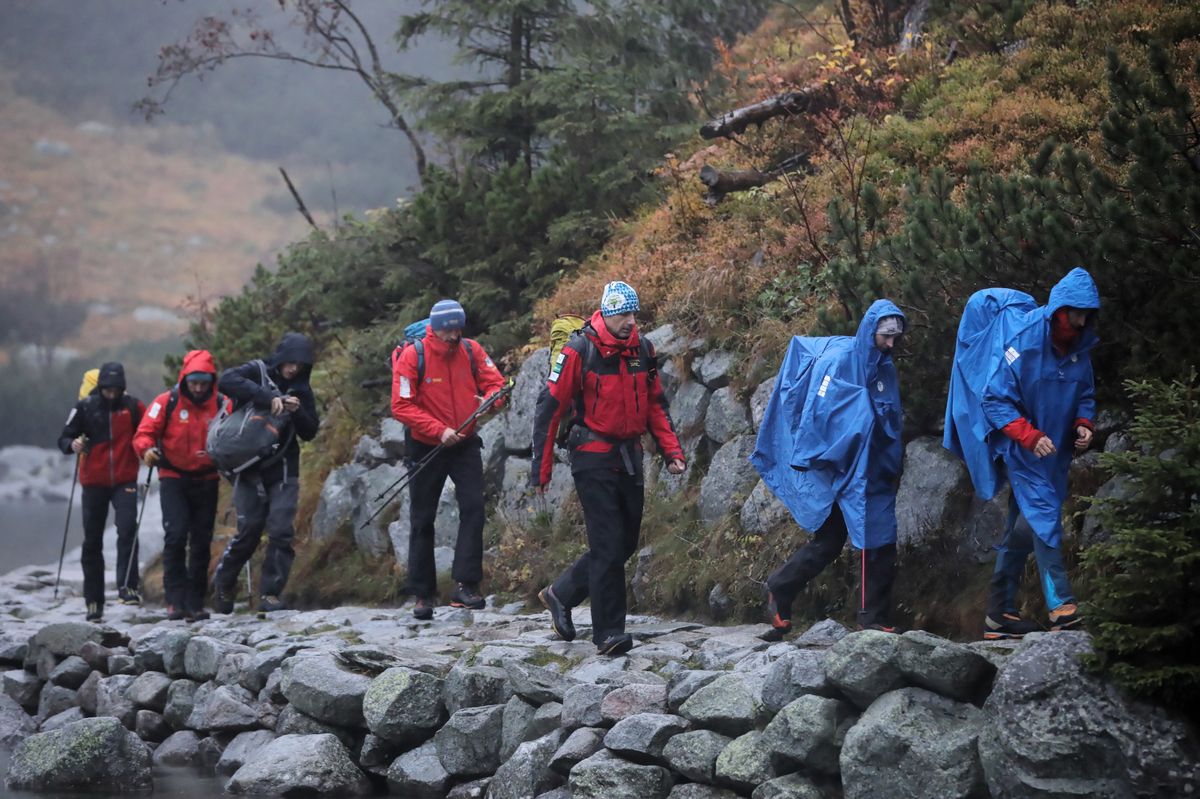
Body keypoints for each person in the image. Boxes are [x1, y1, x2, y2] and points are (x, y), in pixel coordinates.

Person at [531, 281, 686, 656]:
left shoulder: (641, 350)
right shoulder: (579, 350)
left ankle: (560, 593)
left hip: (629, 456)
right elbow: (548, 409)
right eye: (623, 314)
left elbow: (654, 404)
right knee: (607, 544)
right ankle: (608, 633)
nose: (630, 322)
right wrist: (542, 468)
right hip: (592, 455)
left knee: (625, 543)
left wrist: (671, 451)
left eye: (634, 314)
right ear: (606, 313)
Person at [944, 267, 1099, 639]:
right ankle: (1061, 606)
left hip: (1055, 455)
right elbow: (994, 398)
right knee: (1044, 516)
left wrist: (1084, 424)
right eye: (1074, 312)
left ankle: (999, 614)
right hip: (1024, 449)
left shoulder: (1081, 349)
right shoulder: (1025, 341)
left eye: (1085, 314)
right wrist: (1027, 436)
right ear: (1059, 309)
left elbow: (1087, 395)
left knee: (1024, 522)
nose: (1079, 321)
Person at [751, 301, 906, 640]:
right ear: (870, 332)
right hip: (838, 470)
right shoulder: (838, 364)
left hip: (873, 469)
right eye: (886, 336)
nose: (892, 344)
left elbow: (891, 417)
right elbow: (816, 416)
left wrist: (889, 462)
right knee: (842, 539)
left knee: (873, 538)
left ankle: (865, 615)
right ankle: (790, 591)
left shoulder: (885, 369)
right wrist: (826, 463)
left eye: (897, 337)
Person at [391, 299, 507, 620]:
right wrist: (439, 430)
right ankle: (423, 594)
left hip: (465, 443)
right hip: (426, 445)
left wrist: (491, 400)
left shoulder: (471, 351)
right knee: (422, 517)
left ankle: (465, 586)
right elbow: (401, 406)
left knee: (473, 508)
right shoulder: (414, 356)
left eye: (458, 328)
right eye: (448, 329)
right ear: (435, 328)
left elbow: (496, 383)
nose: (454, 335)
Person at [210, 333, 320, 615]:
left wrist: (295, 411)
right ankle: (224, 582)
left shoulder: (301, 388)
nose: (293, 368)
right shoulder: (257, 371)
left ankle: (270, 594)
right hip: (248, 466)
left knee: (281, 531)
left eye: (300, 364)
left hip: (283, 465)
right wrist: (268, 397)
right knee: (249, 530)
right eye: (290, 362)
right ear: (281, 357)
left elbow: (310, 432)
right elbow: (226, 380)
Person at [132, 350, 223, 622]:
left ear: (210, 381)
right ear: (185, 379)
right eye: (193, 382)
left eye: (203, 382)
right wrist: (146, 450)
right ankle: (174, 600)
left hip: (208, 478)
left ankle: (195, 602)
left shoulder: (222, 404)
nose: (197, 388)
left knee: (202, 541)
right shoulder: (166, 401)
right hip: (173, 477)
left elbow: (236, 431)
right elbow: (144, 432)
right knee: (175, 536)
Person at [57, 362, 146, 621]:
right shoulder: (84, 407)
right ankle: (94, 602)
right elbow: (63, 438)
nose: (111, 394)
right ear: (100, 388)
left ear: (122, 387)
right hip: (93, 482)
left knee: (128, 526)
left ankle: (128, 587)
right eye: (107, 389)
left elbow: (147, 433)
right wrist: (72, 444)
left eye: (116, 389)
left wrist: (150, 450)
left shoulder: (133, 407)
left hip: (125, 478)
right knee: (92, 541)